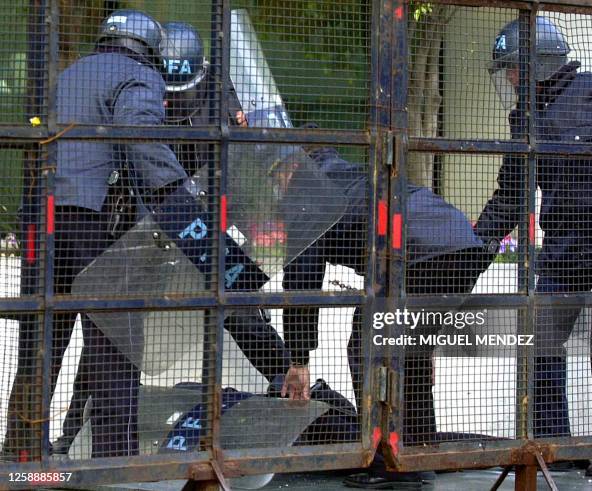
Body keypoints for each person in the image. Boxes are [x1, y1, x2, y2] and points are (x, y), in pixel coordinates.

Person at [49, 21, 291, 456]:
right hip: (133, 218)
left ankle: (284, 374)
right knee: (111, 331)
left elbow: (232, 173)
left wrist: (229, 230)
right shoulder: (137, 85)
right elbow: (134, 155)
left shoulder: (214, 102)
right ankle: (86, 439)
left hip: (178, 214)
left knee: (233, 295)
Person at [3, 9, 187, 460]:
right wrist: (178, 198)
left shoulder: (67, 74)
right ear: (147, 48)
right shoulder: (139, 76)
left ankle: (22, 448)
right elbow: (139, 134)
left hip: (41, 219)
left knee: (41, 335)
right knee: (115, 341)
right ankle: (114, 459)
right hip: (95, 221)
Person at [280, 138, 489, 488]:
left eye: (277, 176)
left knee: (367, 350)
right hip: (460, 244)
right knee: (408, 353)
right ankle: (419, 451)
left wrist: (299, 359)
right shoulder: (351, 175)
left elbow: (302, 278)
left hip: (415, 253)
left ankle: (386, 462)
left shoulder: (307, 190)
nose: (278, 186)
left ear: (292, 166)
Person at [477, 16, 592, 477]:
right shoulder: (526, 116)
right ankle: (558, 447)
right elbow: (512, 191)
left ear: (540, 63)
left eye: (514, 67)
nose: (510, 78)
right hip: (562, 250)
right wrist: (477, 242)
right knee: (540, 347)